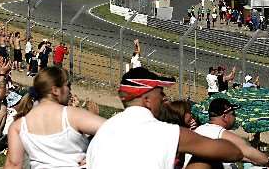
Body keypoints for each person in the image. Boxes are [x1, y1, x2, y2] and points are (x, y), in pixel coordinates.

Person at [86, 67, 243, 169]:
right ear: (146, 100)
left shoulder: (104, 130)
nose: (164, 98)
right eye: (160, 93)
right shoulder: (167, 132)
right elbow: (234, 153)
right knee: (207, 158)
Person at [4, 67, 105, 169]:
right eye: (68, 85)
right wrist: (92, 157)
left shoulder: (18, 126)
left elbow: (13, 165)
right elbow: (114, 129)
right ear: (55, 90)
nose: (70, 90)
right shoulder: (71, 115)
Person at [184, 98, 269, 168]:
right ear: (224, 116)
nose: (235, 117)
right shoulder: (223, 135)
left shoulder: (198, 130)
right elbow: (263, 159)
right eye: (233, 114)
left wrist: (246, 159)